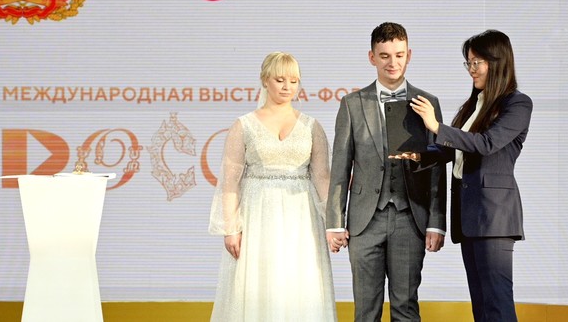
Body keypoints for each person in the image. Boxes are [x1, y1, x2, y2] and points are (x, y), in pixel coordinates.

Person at [402, 29, 532, 321]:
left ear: (497, 62)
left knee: (497, 303)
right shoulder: (474, 104)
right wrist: (417, 156)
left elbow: (486, 144)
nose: (471, 69)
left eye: (477, 62)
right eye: (468, 63)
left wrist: (436, 126)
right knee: (481, 305)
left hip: (494, 218)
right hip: (469, 216)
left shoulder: (518, 104)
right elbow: (455, 150)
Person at [326, 22, 447, 322]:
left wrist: (436, 223)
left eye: (399, 55)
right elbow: (340, 166)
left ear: (409, 55)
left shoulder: (427, 103)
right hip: (364, 221)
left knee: (406, 308)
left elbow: (436, 170)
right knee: (365, 311)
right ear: (372, 57)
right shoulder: (352, 104)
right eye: (384, 56)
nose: (393, 62)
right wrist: (334, 222)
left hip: (410, 218)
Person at [209, 52, 337, 322]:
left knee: (298, 282)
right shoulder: (243, 125)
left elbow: (322, 177)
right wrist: (230, 228)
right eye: (280, 80)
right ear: (265, 80)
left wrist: (334, 223)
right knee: (259, 283)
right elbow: (230, 183)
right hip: (257, 217)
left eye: (294, 80)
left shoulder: (312, 126)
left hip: (302, 219)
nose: (287, 87)